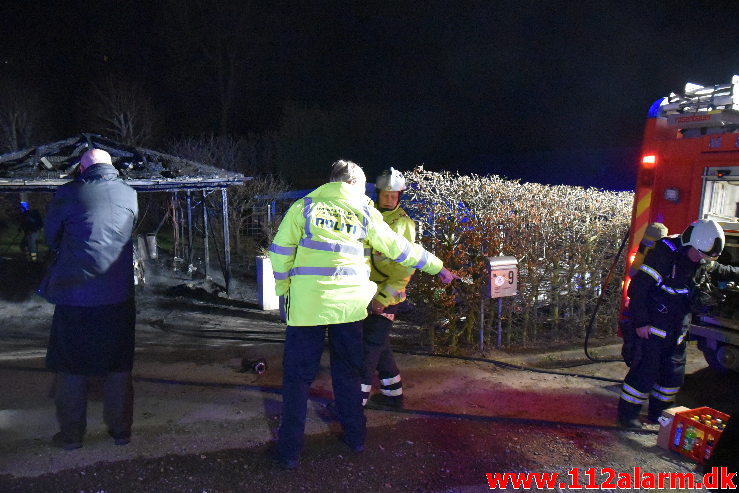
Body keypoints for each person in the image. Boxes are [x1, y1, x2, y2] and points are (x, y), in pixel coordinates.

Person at [268, 159, 457, 469]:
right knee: (348, 373)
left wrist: (284, 291)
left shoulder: (305, 206)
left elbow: (280, 251)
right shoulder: (364, 210)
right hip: (349, 308)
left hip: (306, 308)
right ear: (356, 184)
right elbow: (399, 248)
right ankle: (355, 438)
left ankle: (289, 452)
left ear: (332, 181)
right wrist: (437, 267)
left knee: (298, 379)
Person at [38, 148, 138, 450]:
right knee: (118, 366)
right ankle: (121, 432)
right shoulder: (130, 194)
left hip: (76, 297)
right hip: (119, 296)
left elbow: (51, 236)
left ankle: (71, 436)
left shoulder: (69, 194)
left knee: (71, 367)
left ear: (82, 169)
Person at [618, 219, 739, 428]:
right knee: (644, 374)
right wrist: (641, 322)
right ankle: (627, 417)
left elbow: (719, 269)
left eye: (706, 257)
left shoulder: (701, 256)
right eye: (700, 255)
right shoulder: (664, 255)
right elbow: (637, 289)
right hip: (654, 327)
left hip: (678, 330)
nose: (702, 260)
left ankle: (658, 417)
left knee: (671, 378)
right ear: (690, 243)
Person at [362, 168, 415, 410]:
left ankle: (353, 403)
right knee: (380, 347)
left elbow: (404, 268)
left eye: (395, 195)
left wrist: (383, 298)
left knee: (367, 351)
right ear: (378, 193)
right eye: (386, 194)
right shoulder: (369, 216)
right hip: (367, 294)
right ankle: (393, 396)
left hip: (386, 297)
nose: (390, 199)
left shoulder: (402, 223)